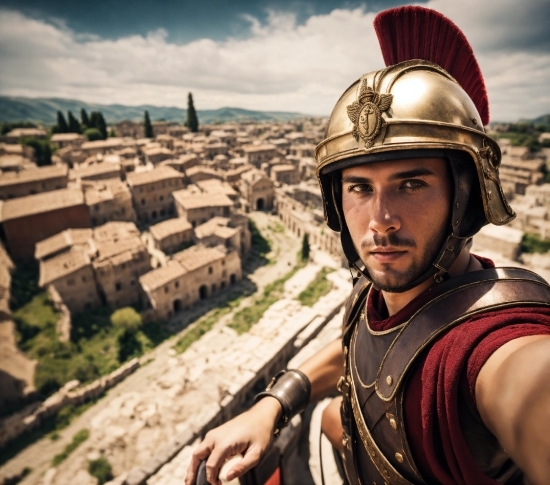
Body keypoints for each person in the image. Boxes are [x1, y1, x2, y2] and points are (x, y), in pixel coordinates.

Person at [186, 6, 550, 485]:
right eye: (359, 187)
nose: (380, 222)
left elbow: (527, 385)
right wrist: (274, 404)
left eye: (412, 184)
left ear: (465, 197)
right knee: (328, 420)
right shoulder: (377, 294)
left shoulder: (492, 346)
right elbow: (362, 346)